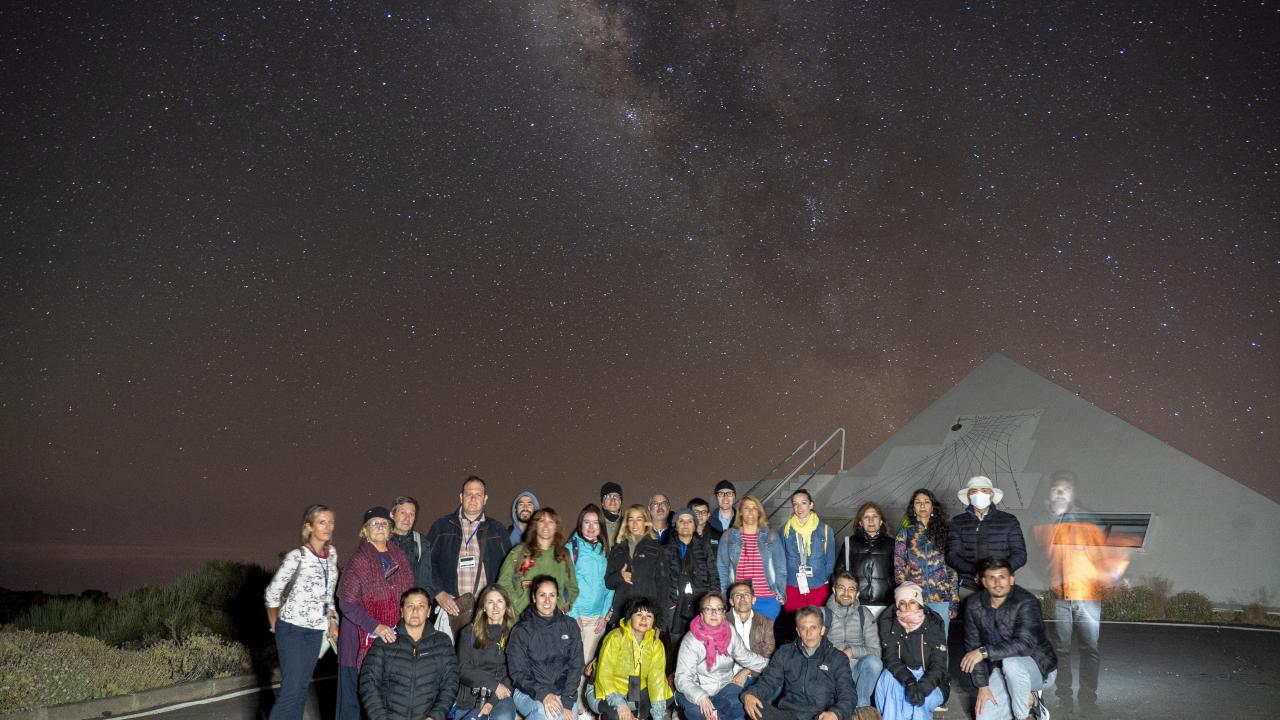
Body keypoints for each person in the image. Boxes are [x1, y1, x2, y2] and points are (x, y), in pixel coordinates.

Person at [1036, 471, 1119, 718]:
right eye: (1056, 488)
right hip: (1062, 597)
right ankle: (1064, 699)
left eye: (1066, 488)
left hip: (1089, 596)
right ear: (1050, 493)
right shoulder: (1046, 523)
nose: (1060, 492)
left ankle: (1088, 700)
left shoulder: (1089, 521)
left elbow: (1103, 555)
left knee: (1090, 649)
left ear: (1074, 493)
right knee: (1061, 650)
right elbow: (1040, 557)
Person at [335, 507, 415, 720]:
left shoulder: (399, 556)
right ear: (365, 531)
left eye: (383, 524)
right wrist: (376, 627)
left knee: (385, 702)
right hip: (358, 640)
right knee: (353, 705)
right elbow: (347, 604)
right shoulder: (358, 561)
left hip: (391, 639)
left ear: (390, 529)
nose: (379, 527)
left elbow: (409, 594)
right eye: (374, 524)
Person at [264, 504, 340, 720]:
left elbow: (328, 596)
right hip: (292, 631)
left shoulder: (332, 555)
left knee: (300, 690)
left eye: (331, 522)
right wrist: (275, 625)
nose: (328, 527)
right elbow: (272, 593)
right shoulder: (297, 557)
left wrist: (332, 620)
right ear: (309, 526)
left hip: (316, 632)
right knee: (291, 690)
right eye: (322, 522)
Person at [960, 558, 1056, 720]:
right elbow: (972, 647)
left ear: (1011, 579)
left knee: (1011, 663)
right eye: (992, 578)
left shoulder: (1026, 602)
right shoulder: (973, 605)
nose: (998, 583)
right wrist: (983, 686)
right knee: (984, 716)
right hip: (999, 671)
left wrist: (984, 652)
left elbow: (1025, 645)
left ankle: (1023, 713)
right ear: (984, 582)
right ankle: (1029, 699)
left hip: (1038, 668)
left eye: (1002, 577)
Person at [423, 476, 512, 634]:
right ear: (461, 497)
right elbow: (427, 563)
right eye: (469, 494)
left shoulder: (497, 529)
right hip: (451, 607)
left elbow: (509, 568)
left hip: (485, 609)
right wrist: (438, 593)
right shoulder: (442, 526)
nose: (473, 498)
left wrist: (498, 600)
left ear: (485, 499)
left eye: (478, 494)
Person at [358, 588, 457, 720]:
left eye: (421, 606)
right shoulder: (385, 641)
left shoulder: (442, 642)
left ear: (428, 611)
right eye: (410, 606)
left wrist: (435, 716)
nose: (415, 611)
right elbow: (368, 683)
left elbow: (451, 683)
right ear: (402, 611)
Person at [740, 606, 855, 720]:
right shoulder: (785, 653)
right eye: (803, 628)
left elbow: (848, 695)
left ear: (822, 630)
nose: (808, 633)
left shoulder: (837, 658)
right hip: (789, 715)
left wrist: (836, 713)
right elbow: (769, 681)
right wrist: (751, 694)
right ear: (798, 631)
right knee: (754, 708)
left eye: (813, 627)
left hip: (821, 716)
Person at [674, 591, 769, 720]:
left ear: (724, 613)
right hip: (695, 690)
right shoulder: (691, 640)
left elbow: (746, 657)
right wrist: (700, 696)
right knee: (698, 712)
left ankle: (717, 714)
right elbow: (683, 678)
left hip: (724, 688)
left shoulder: (730, 632)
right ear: (701, 614)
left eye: (718, 609)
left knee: (747, 701)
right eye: (709, 609)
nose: (714, 613)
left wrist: (774, 665)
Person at [506, 575, 584, 720]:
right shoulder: (522, 630)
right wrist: (544, 695)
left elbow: (576, 665)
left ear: (557, 597)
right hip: (528, 691)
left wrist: (567, 702)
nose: (547, 600)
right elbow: (518, 673)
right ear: (534, 598)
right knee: (548, 715)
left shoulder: (570, 625)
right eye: (542, 595)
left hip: (564, 692)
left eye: (552, 595)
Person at [873, 583, 948, 720]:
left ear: (920, 603)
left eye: (912, 602)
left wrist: (922, 689)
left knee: (916, 701)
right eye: (902, 603)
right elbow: (891, 659)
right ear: (897, 606)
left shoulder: (933, 624)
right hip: (903, 676)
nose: (907, 607)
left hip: (931, 681)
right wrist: (910, 682)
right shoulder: (890, 623)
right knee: (891, 683)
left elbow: (939, 665)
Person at [591, 597, 673, 720]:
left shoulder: (656, 644)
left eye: (649, 616)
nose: (644, 619)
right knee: (617, 715)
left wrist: (658, 715)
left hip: (635, 691)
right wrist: (620, 704)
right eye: (639, 614)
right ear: (630, 617)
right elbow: (604, 675)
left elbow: (657, 681)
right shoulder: (615, 637)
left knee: (664, 703)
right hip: (603, 690)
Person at [566, 504, 615, 713]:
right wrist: (573, 614)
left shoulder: (605, 550)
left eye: (595, 523)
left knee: (592, 667)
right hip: (578, 617)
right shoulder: (572, 548)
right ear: (580, 525)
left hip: (597, 619)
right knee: (575, 667)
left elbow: (609, 586)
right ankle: (575, 709)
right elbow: (565, 583)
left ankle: (587, 709)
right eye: (587, 522)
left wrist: (605, 616)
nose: (591, 526)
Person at [893, 489, 959, 637]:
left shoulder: (945, 532)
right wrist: (904, 599)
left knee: (940, 647)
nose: (922, 505)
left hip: (941, 598)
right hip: (914, 600)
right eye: (918, 502)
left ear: (933, 507)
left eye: (926, 502)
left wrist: (953, 600)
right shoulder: (905, 533)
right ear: (913, 508)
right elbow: (899, 567)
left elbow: (953, 568)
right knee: (915, 647)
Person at [948, 477, 1028, 597]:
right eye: (974, 491)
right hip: (968, 586)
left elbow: (1020, 554)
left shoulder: (1009, 520)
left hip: (1001, 586)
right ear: (968, 496)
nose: (979, 494)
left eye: (984, 490)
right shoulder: (957, 522)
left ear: (991, 494)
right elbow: (951, 555)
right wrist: (976, 571)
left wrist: (997, 572)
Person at [497, 507, 579, 616]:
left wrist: (563, 605)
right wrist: (518, 604)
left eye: (551, 522)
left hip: (554, 622)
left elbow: (572, 587)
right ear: (535, 525)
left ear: (556, 527)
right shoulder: (519, 553)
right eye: (542, 521)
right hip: (523, 620)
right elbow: (503, 583)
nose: (546, 526)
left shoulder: (563, 555)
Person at [717, 495, 787, 621]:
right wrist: (725, 595)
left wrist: (779, 594)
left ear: (759, 512)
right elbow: (721, 567)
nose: (750, 511)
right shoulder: (728, 536)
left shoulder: (770, 535)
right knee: (740, 639)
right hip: (740, 600)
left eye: (754, 508)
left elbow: (781, 567)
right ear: (741, 513)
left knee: (764, 639)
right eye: (746, 508)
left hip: (767, 600)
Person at [666, 507, 721, 664]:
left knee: (700, 645)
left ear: (695, 525)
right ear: (675, 525)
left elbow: (713, 574)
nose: (685, 524)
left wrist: (714, 601)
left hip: (699, 603)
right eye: (681, 521)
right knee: (675, 647)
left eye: (689, 521)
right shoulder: (666, 548)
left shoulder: (704, 548)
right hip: (674, 604)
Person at [455, 584, 518, 720]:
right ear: (483, 607)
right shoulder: (469, 632)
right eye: (490, 602)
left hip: (500, 697)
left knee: (504, 716)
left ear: (506, 606)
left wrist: (491, 702)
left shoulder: (515, 634)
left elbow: (514, 673)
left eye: (500, 601)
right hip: (469, 698)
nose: (495, 607)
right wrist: (493, 685)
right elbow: (463, 669)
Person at [824, 572, 882, 711]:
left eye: (851, 589)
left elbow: (876, 651)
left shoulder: (865, 614)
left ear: (857, 593)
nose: (846, 593)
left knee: (874, 663)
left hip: (857, 673)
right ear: (834, 590)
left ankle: (861, 708)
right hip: (831, 673)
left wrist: (852, 651)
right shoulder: (822, 614)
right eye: (841, 588)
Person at [606, 504, 671, 627]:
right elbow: (608, 582)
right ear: (626, 523)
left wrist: (660, 623)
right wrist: (620, 576)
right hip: (622, 613)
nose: (634, 524)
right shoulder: (617, 550)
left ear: (646, 522)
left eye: (639, 519)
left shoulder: (656, 549)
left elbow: (663, 586)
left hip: (646, 615)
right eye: (631, 519)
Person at [781, 490, 837, 611]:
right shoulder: (786, 530)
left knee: (816, 622)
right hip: (793, 585)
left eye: (803, 503)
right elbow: (782, 559)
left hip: (818, 585)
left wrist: (822, 578)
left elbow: (830, 561)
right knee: (794, 623)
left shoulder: (826, 531)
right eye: (795, 504)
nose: (799, 507)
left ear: (811, 505)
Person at [836, 502, 895, 611]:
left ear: (881, 521)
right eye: (866, 517)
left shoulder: (893, 544)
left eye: (875, 517)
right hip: (856, 603)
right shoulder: (850, 543)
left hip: (885, 604)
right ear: (860, 523)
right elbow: (839, 572)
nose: (871, 520)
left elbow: (899, 575)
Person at [727, 581, 776, 663]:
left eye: (746, 595)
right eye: (738, 595)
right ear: (731, 601)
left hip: (756, 669)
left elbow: (768, 650)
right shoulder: (722, 622)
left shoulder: (766, 622)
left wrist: (747, 670)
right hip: (728, 669)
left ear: (753, 600)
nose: (742, 598)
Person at [390, 496, 430, 589]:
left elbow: (424, 582)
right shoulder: (381, 540)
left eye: (412, 514)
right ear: (392, 514)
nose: (407, 518)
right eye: (403, 513)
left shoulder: (421, 543)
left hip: (409, 600)